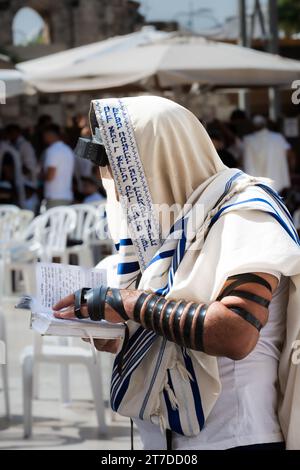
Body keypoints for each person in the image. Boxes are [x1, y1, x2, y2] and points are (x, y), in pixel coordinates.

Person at [53, 96, 300, 450]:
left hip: (237, 437)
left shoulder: (246, 215)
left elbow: (235, 332)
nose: (119, 189)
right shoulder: (166, 229)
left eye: (125, 174)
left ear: (159, 161)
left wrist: (127, 304)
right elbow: (161, 318)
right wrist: (122, 334)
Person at [243, 115, 291, 193]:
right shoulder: (278, 138)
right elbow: (289, 153)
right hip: (277, 182)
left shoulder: (248, 140)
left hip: (256, 185)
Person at [42, 124, 75, 209]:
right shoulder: (67, 149)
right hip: (66, 195)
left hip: (55, 196)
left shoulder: (52, 150)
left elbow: (50, 175)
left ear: (48, 135)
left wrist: (40, 176)